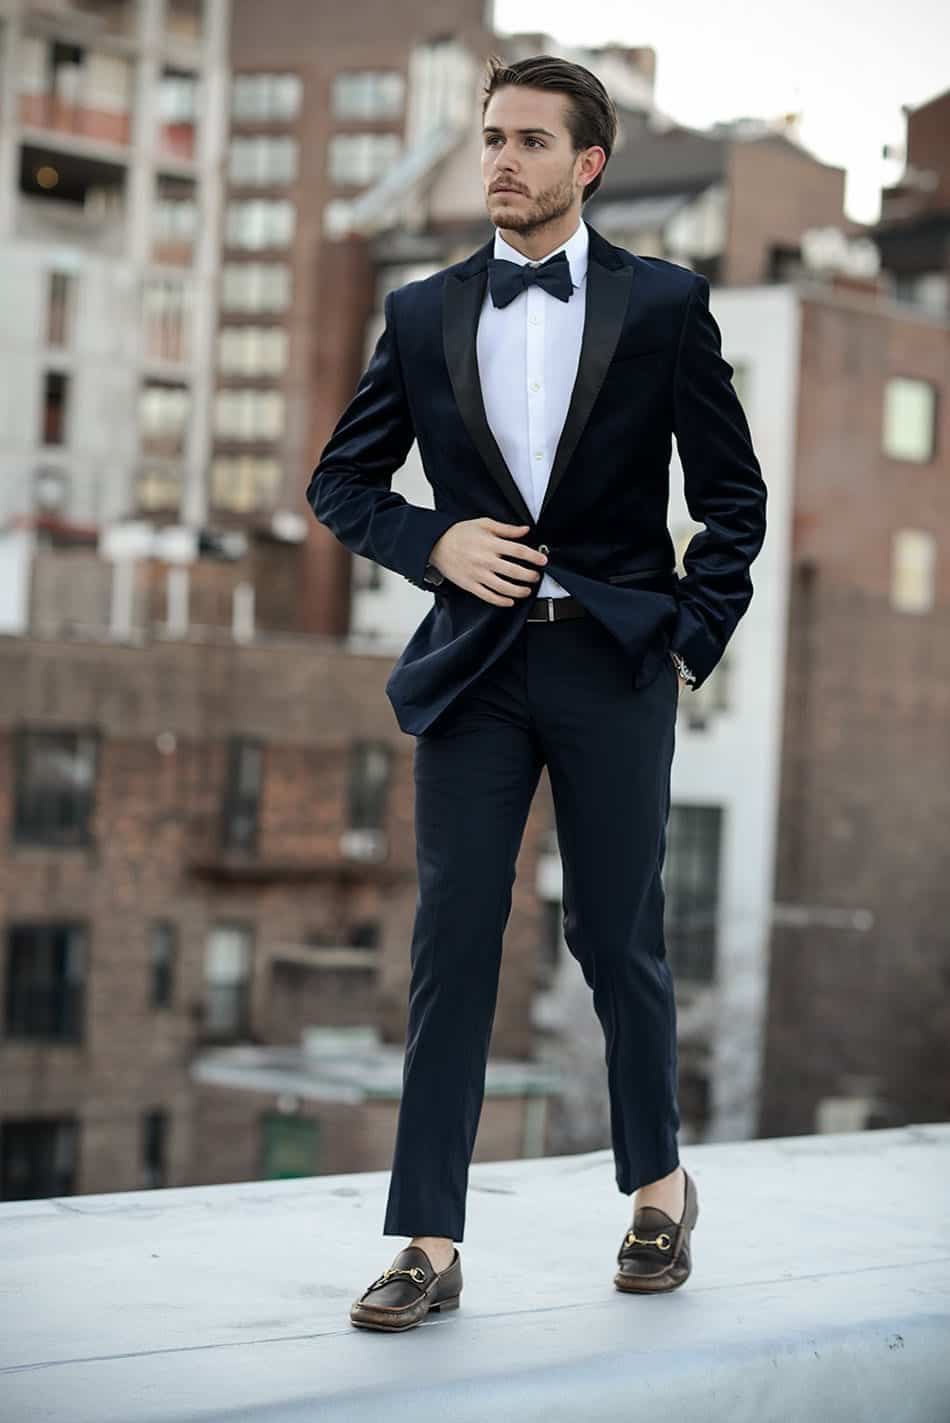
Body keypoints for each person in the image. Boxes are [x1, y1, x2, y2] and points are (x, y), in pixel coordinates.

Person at [307, 53, 767, 1333]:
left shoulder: (665, 303)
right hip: (474, 665)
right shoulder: (417, 313)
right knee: (452, 938)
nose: (499, 159)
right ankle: (426, 1241)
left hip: (612, 661)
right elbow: (340, 483)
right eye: (489, 136)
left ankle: (658, 1192)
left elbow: (731, 498)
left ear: (587, 164)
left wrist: (689, 632)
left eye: (526, 140)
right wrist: (431, 542)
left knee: (614, 935)